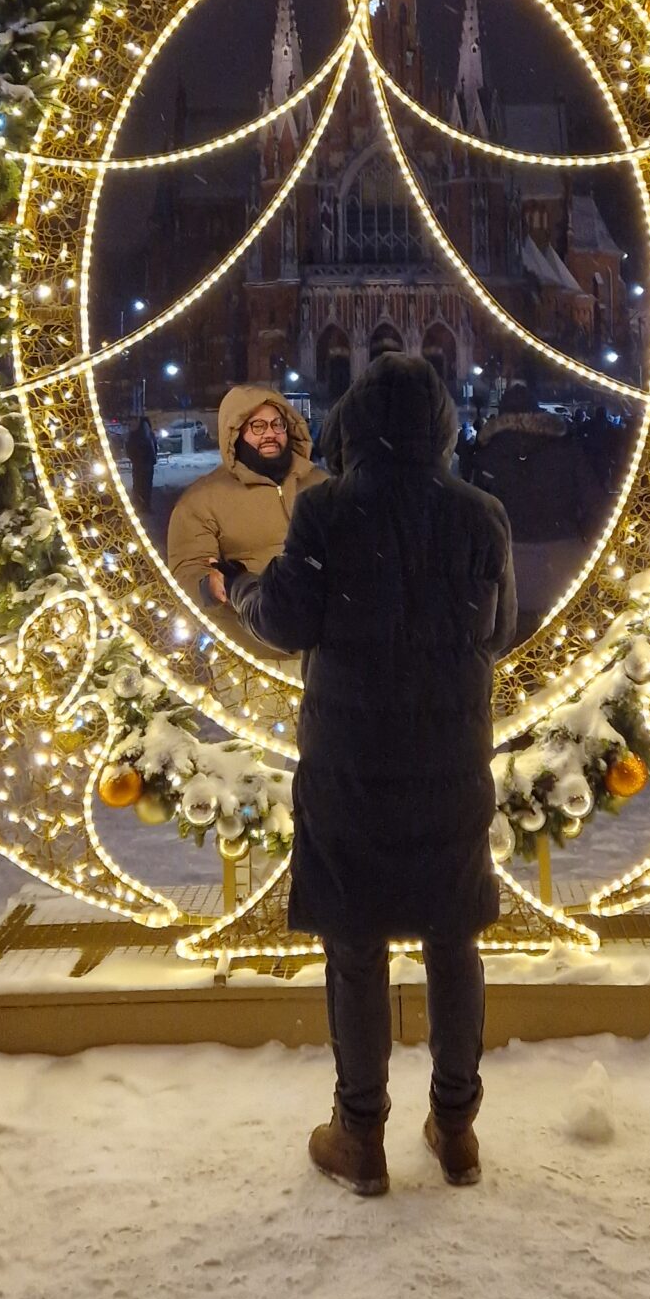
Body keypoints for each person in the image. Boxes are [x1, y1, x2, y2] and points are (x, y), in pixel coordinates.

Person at [221, 356, 516, 1198]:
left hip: (353, 765)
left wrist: (241, 590)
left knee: (355, 947)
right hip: (450, 760)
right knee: (453, 939)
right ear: (443, 426)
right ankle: (457, 1130)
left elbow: (283, 621)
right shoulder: (481, 514)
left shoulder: (325, 511)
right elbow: (498, 629)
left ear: (352, 424)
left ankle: (361, 1136)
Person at [165, 384, 325, 655]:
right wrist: (209, 584)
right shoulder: (202, 499)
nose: (271, 434)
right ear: (235, 434)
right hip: (251, 658)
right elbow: (187, 567)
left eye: (277, 424)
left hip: (326, 655)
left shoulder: (322, 485)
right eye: (258, 427)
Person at [467, 379, 603, 634]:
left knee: (512, 648)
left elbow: (475, 516)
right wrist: (582, 538)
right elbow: (595, 502)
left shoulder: (487, 454)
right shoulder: (566, 448)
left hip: (508, 564)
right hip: (563, 557)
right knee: (567, 644)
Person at [124, 411, 158, 519]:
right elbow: (132, 449)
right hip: (141, 464)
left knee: (143, 485)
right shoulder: (139, 436)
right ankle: (141, 506)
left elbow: (152, 447)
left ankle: (143, 506)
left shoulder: (139, 435)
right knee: (141, 485)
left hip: (144, 463)